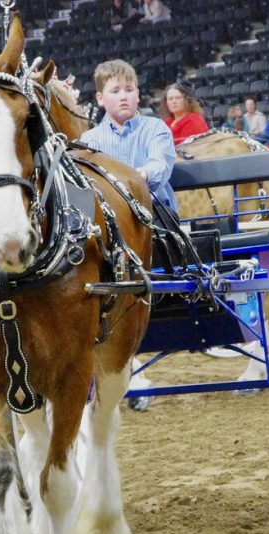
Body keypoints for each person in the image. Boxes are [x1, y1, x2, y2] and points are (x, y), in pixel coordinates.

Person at [79, 59, 176, 412]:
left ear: (138, 94)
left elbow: (159, 168)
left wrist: (127, 181)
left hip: (154, 221)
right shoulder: (89, 140)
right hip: (106, 228)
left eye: (129, 90)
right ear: (100, 99)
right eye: (115, 91)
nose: (124, 96)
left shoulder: (155, 130)